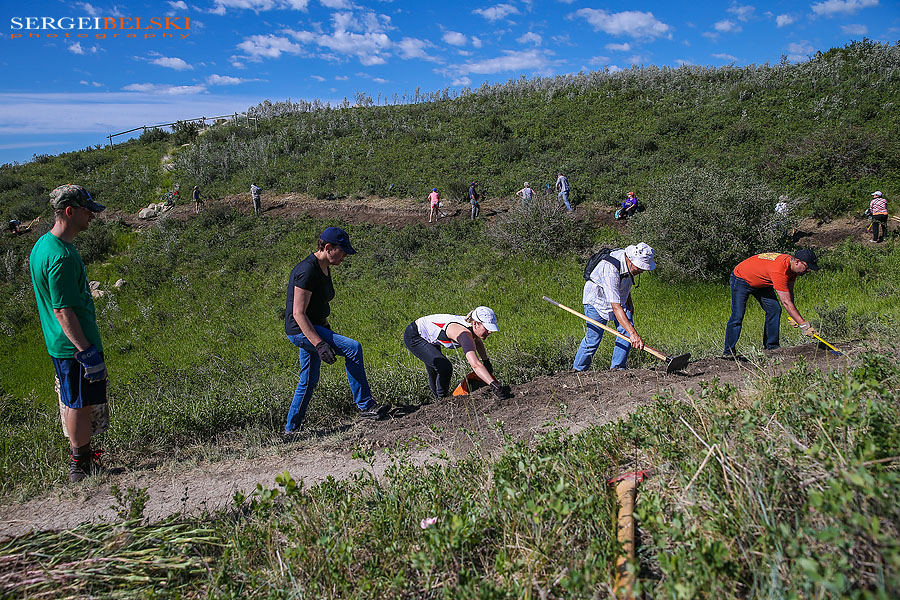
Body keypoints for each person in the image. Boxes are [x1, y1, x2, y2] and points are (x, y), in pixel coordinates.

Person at [29, 184, 109, 482]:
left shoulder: (43, 246)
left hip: (62, 344)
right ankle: (81, 466)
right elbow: (62, 310)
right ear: (69, 211)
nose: (92, 216)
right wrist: (86, 352)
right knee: (78, 402)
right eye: (88, 211)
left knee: (76, 399)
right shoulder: (61, 257)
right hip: (73, 347)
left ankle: (84, 459)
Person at [284, 227, 389, 433]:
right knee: (352, 348)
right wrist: (320, 343)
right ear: (328, 247)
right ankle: (366, 406)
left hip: (314, 328)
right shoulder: (307, 270)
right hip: (301, 331)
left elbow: (316, 307)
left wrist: (324, 330)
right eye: (342, 251)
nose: (345, 256)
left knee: (308, 381)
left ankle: (291, 430)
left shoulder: (323, 266)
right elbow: (298, 313)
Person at [573, 243, 656, 371]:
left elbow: (624, 281)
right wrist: (633, 334)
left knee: (627, 331)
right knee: (593, 338)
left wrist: (629, 299)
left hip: (619, 298)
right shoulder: (610, 268)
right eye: (639, 268)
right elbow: (616, 306)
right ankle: (578, 370)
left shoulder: (629, 264)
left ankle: (617, 368)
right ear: (630, 260)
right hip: (597, 300)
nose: (641, 271)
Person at [722, 249, 820, 357]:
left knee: (774, 309)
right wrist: (804, 325)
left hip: (762, 282)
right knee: (738, 315)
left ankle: (771, 347)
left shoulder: (793, 270)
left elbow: (789, 293)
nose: (808, 271)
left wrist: (794, 316)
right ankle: (728, 352)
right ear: (797, 262)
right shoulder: (779, 270)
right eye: (807, 267)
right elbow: (786, 302)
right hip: (741, 279)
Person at [403, 306, 511, 401]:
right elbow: (475, 365)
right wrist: (494, 385)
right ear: (475, 324)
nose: (490, 332)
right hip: (415, 336)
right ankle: (442, 401)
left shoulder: (473, 328)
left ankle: (438, 400)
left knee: (436, 370)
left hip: (429, 335)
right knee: (444, 367)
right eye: (487, 328)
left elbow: (477, 341)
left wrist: (486, 362)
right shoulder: (464, 334)